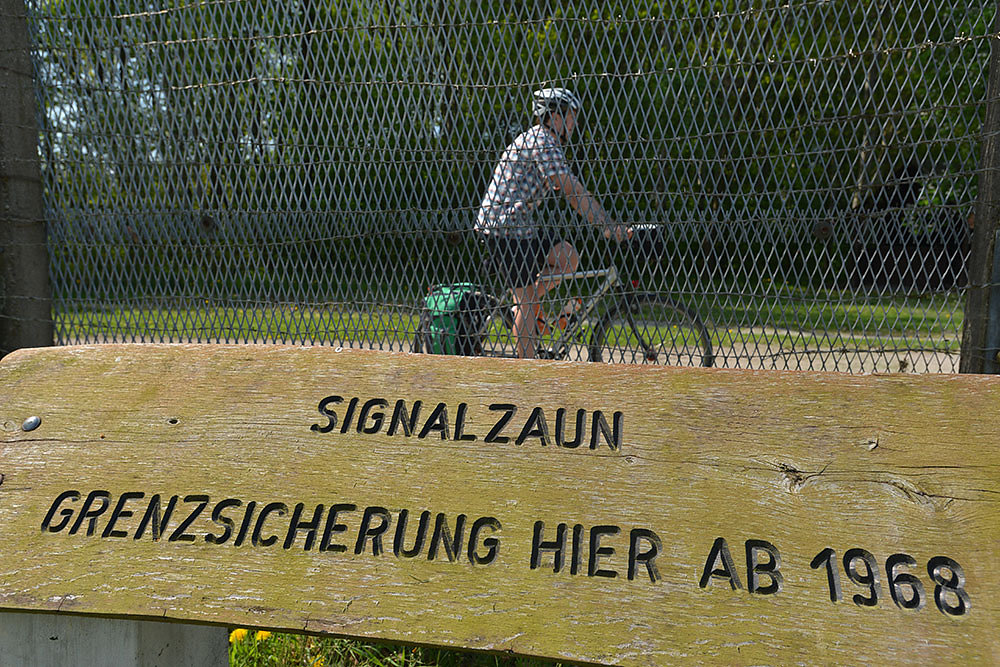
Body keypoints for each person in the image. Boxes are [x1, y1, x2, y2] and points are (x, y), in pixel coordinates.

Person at [475, 87, 629, 359]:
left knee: (567, 256)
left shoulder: (544, 141)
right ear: (554, 117)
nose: (574, 124)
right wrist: (607, 225)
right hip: (504, 227)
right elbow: (570, 189)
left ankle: (520, 309)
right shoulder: (542, 141)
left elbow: (570, 189)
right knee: (527, 299)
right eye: (571, 117)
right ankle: (528, 367)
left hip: (520, 225)